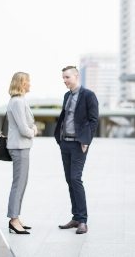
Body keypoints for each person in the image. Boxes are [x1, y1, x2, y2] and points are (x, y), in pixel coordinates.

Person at [54, 66, 99, 234]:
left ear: (76, 76)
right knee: (69, 180)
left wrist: (86, 140)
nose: (65, 81)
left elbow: (94, 120)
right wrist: (59, 139)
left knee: (76, 178)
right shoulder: (67, 95)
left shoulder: (88, 95)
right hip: (65, 143)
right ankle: (76, 217)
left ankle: (83, 221)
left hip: (78, 144)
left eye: (67, 77)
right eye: (63, 78)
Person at [6, 72, 38, 235]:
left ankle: (16, 218)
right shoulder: (18, 102)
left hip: (21, 146)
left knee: (21, 183)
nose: (30, 84)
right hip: (19, 147)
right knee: (18, 184)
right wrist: (34, 131)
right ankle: (13, 220)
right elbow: (23, 128)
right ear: (22, 84)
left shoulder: (19, 100)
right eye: (28, 81)